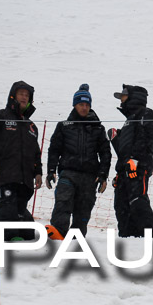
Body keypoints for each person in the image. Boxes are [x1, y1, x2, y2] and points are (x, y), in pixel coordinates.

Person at [45, 84, 112, 240]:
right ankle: (57, 234)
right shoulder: (63, 126)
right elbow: (54, 149)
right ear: (74, 105)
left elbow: (105, 153)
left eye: (87, 104)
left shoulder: (98, 128)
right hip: (68, 173)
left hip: (90, 177)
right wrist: (50, 171)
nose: (84, 107)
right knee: (63, 203)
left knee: (83, 211)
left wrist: (103, 175)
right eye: (81, 104)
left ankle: (76, 240)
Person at [108, 84, 153, 238]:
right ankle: (128, 240)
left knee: (137, 202)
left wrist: (135, 160)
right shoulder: (129, 122)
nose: (121, 100)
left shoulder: (146, 114)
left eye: (123, 96)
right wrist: (116, 139)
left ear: (133, 97)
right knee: (121, 207)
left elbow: (144, 140)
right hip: (124, 171)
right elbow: (124, 152)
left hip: (138, 168)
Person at [0, 81, 42, 241]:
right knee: (8, 228)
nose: (24, 97)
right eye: (21, 93)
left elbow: (36, 153)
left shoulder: (31, 126)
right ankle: (9, 250)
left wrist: (38, 173)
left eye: (27, 95)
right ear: (13, 96)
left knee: (28, 233)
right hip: (4, 178)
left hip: (24, 182)